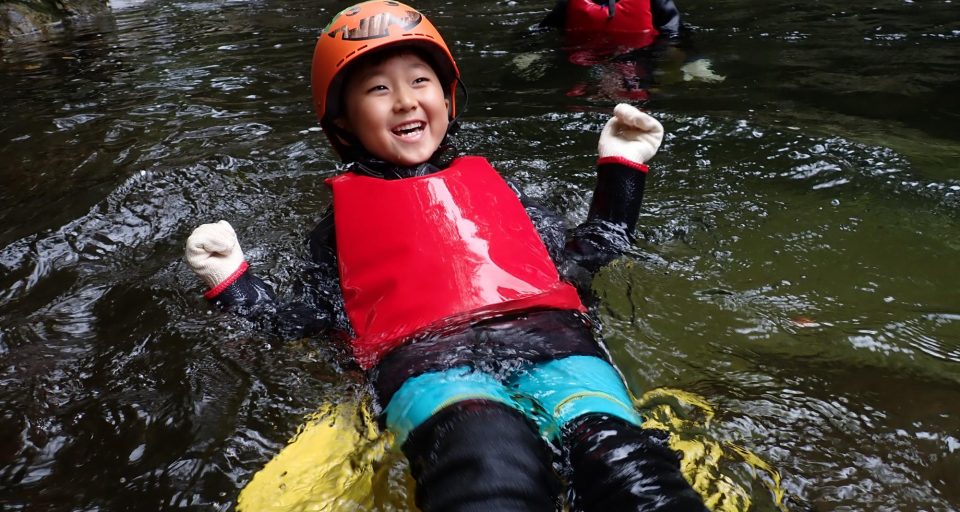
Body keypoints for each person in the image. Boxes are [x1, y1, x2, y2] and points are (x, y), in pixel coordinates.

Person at [184, 1, 708, 510]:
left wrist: (621, 166)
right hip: (429, 366)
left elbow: (588, 254)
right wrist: (234, 281)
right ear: (342, 123)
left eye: (419, 81)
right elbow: (305, 319)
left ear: (447, 97)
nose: (406, 100)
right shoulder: (336, 232)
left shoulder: (509, 195)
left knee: (626, 464)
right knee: (488, 464)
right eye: (378, 89)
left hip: (555, 343)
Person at [539, 0, 723, 101]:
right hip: (583, 63)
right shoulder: (569, 3)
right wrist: (530, 54)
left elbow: (677, 33)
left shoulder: (656, 1)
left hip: (637, 58)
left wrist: (693, 61)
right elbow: (541, 31)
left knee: (637, 93)